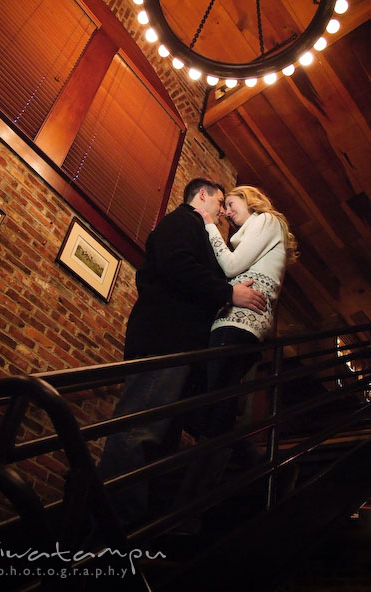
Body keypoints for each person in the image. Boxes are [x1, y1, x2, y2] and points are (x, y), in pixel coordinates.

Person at [96, 178, 267, 530]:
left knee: (159, 439)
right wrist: (228, 293)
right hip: (165, 343)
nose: (222, 212)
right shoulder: (183, 221)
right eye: (220, 202)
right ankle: (111, 528)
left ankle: (134, 525)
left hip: (176, 346)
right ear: (201, 195)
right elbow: (179, 267)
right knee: (139, 431)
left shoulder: (196, 229)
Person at [196, 184, 298, 440]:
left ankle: (217, 463)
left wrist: (209, 223)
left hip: (242, 322)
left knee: (216, 400)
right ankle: (234, 458)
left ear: (249, 199)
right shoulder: (253, 234)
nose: (227, 212)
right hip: (237, 321)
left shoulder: (266, 220)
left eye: (231, 204)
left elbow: (231, 267)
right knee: (218, 398)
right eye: (225, 207)